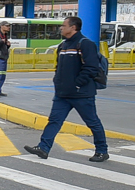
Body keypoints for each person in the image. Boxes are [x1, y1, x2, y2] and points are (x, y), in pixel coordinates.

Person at [23, 16, 109, 162]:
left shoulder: (85, 44)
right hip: (62, 94)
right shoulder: (63, 45)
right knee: (54, 121)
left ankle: (102, 151)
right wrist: (57, 81)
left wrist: (77, 84)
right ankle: (43, 148)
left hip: (81, 94)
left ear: (73, 27)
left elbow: (91, 67)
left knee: (92, 122)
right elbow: (59, 67)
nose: (61, 28)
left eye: (63, 25)